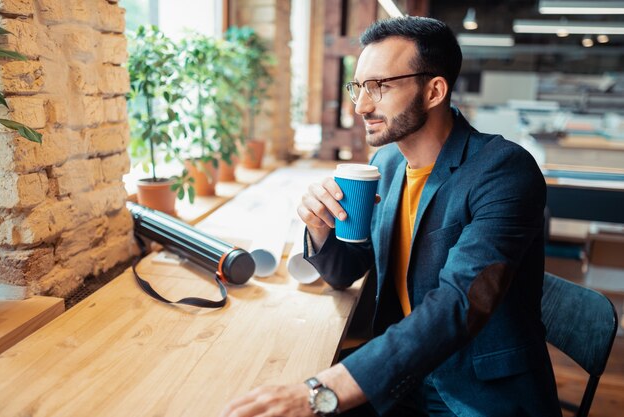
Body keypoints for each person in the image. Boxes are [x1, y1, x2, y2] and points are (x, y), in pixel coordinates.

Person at [220, 16, 561, 417]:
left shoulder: (503, 171)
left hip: (476, 394)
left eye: (379, 87)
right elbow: (347, 270)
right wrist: (319, 229)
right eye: (359, 88)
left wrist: (320, 390)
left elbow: (458, 303)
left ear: (434, 90)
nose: (362, 106)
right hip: (401, 379)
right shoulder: (387, 163)